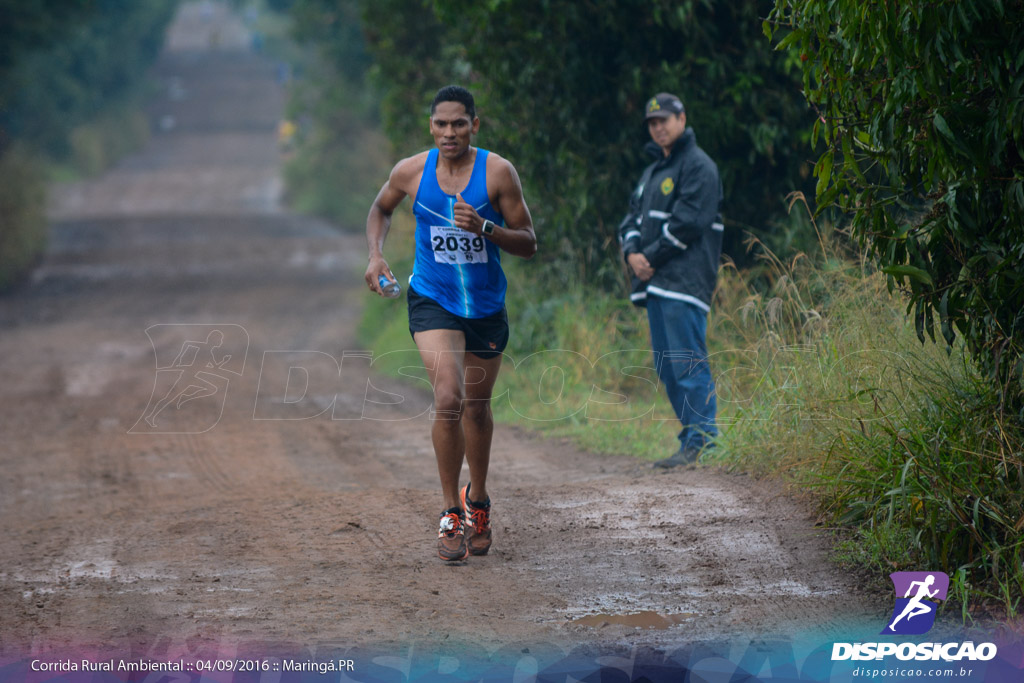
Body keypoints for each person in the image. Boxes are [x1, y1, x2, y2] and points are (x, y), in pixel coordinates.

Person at [364, 85, 537, 561]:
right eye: (441, 124)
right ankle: (449, 514)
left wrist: (486, 228)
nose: (449, 133)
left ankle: (476, 499)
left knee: (477, 409)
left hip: (484, 305)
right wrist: (376, 256)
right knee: (448, 398)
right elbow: (381, 209)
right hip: (433, 299)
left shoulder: (498, 173)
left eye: (459, 123)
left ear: (474, 125)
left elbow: (528, 242)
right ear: (431, 126)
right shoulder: (412, 172)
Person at [618, 93, 724, 469]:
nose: (658, 126)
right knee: (667, 366)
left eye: (665, 119)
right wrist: (633, 254)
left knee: (687, 362)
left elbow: (690, 222)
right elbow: (629, 221)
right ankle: (692, 439)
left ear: (682, 118)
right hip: (655, 284)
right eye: (652, 122)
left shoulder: (698, 166)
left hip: (684, 282)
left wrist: (650, 258)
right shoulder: (651, 174)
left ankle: (705, 440)